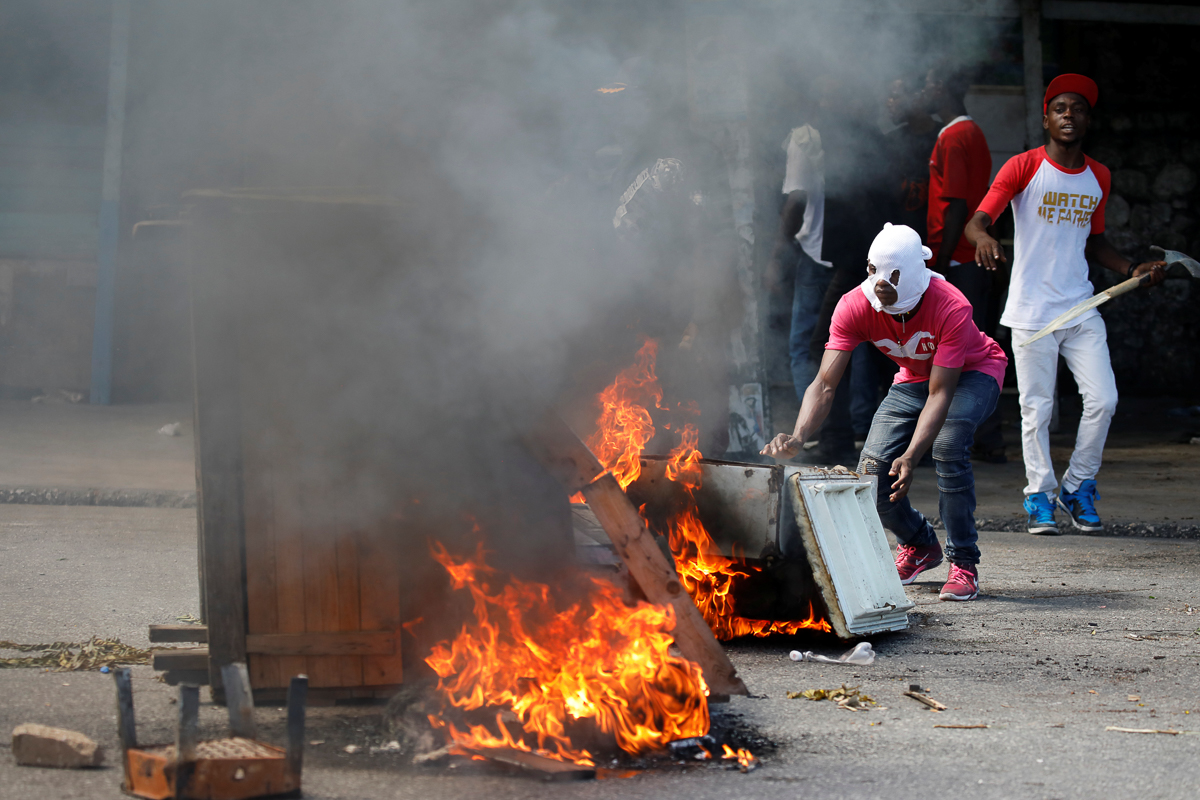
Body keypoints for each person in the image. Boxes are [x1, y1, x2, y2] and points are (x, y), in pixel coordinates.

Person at [762, 223, 1008, 601]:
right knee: (871, 474)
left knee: (948, 447)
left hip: (973, 375)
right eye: (874, 271)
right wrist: (798, 436)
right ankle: (920, 544)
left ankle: (964, 563)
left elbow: (941, 393)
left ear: (911, 273)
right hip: (914, 378)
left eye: (892, 275)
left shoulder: (950, 304)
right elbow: (825, 384)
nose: (881, 282)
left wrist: (912, 455)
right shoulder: (854, 306)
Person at [966, 73, 1166, 535]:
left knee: (1104, 399)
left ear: (1088, 119)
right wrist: (984, 239)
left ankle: (1077, 487)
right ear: (1046, 119)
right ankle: (1039, 495)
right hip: (1032, 311)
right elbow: (978, 221)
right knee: (1036, 408)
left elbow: (1094, 242)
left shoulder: (1099, 176)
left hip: (1080, 306)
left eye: (1077, 108)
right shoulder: (1022, 166)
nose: (1069, 115)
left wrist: (1131, 268)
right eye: (1060, 108)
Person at [922, 61, 1006, 462]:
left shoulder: (956, 136)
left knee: (967, 352)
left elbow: (956, 205)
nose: (924, 92)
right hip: (963, 261)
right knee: (977, 349)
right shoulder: (969, 132)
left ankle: (981, 439)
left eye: (928, 84)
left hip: (958, 261)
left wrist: (937, 262)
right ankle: (984, 439)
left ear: (941, 88)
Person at [884, 76, 939, 242]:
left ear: (917, 97)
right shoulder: (889, 142)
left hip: (935, 245)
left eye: (895, 96)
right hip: (897, 245)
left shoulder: (944, 138)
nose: (888, 102)